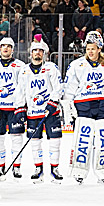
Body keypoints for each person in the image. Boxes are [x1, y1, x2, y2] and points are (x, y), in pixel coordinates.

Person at [63, 30, 104, 184]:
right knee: (83, 139)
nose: (90, 51)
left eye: (93, 48)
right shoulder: (77, 65)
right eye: (88, 48)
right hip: (83, 104)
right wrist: (69, 109)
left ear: (99, 48)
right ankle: (79, 170)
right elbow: (69, 89)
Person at [14, 38, 65, 183]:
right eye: (35, 50)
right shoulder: (24, 70)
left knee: (55, 141)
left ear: (44, 53)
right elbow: (20, 91)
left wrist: (52, 103)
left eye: (40, 51)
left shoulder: (51, 68)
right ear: (31, 53)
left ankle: (54, 168)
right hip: (33, 113)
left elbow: (58, 87)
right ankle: (38, 168)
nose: (37, 53)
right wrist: (20, 109)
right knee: (35, 141)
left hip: (51, 113)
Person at [0, 37, 27, 178]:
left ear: (12, 49)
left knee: (16, 138)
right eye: (3, 46)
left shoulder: (20, 66)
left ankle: (16, 166)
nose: (5, 48)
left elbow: (22, 87)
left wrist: (22, 105)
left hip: (14, 107)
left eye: (8, 46)